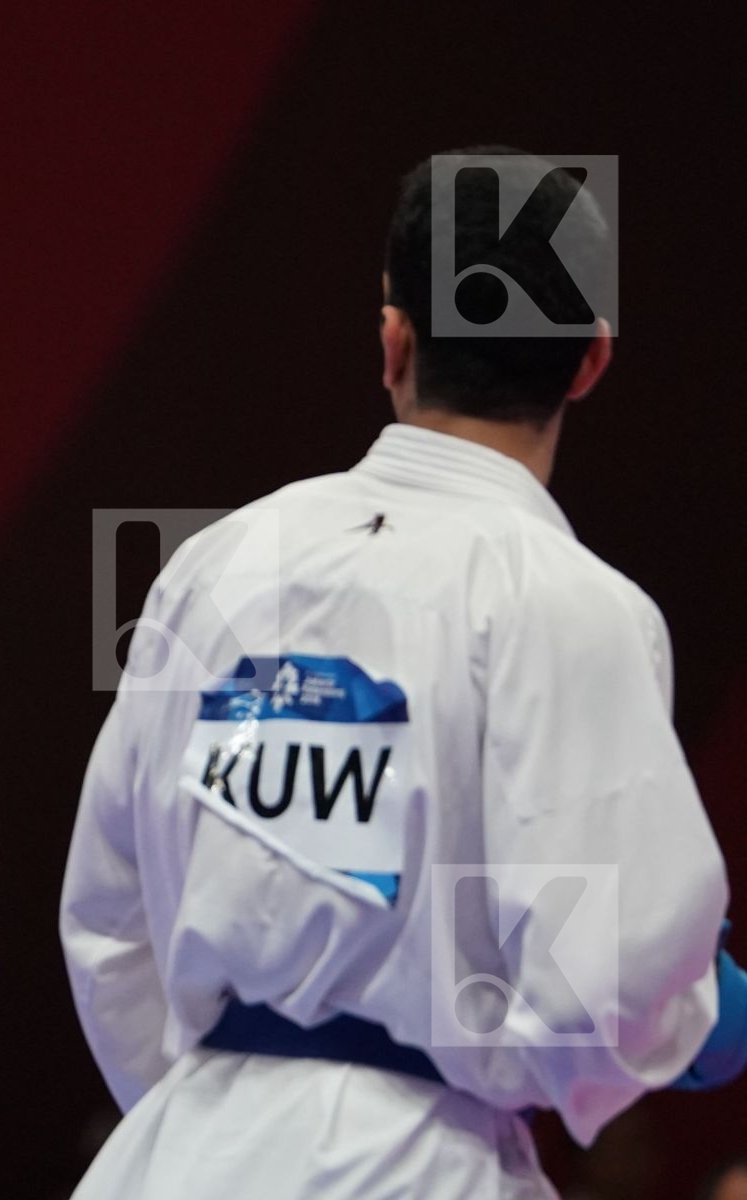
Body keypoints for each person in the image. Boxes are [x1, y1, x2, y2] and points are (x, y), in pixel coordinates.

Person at [59, 148, 744, 1198]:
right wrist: (695, 1016)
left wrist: (217, 1116)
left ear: (393, 341)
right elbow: (613, 975)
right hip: (421, 1166)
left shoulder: (218, 567)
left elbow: (111, 919)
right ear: (591, 361)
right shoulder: (576, 607)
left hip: (175, 1160)